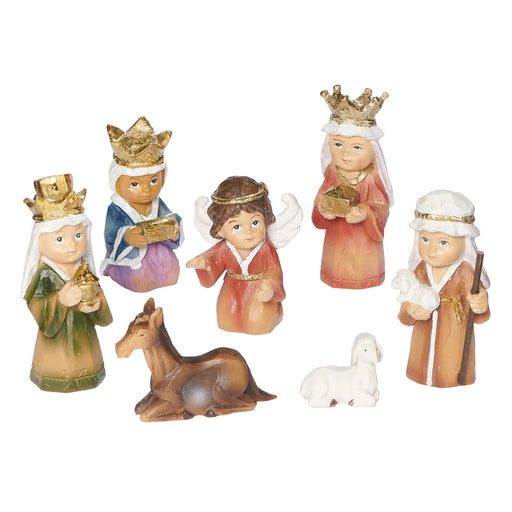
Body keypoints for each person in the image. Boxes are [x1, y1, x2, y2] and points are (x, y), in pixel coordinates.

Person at [22, 174, 112, 392]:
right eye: (60, 239)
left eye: (78, 235)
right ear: (40, 241)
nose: (72, 246)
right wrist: (60, 301)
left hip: (85, 339)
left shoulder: (84, 269)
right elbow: (36, 307)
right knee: (58, 362)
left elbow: (101, 304)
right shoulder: (44, 274)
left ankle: (90, 374)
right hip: (55, 349)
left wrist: (96, 304)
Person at [397, 190, 490, 387]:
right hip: (422, 341)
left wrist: (480, 304)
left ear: (464, 242)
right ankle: (420, 375)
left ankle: (450, 378)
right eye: (425, 239)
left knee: (450, 366)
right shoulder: (419, 270)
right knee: (420, 365)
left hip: (454, 338)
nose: (432, 250)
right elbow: (405, 309)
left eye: (443, 242)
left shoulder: (466, 273)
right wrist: (410, 311)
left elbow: (480, 315)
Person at [187, 176, 301, 335]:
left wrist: (270, 287)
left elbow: (273, 270)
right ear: (220, 230)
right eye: (236, 227)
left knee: (258, 324)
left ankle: (270, 316)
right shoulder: (224, 248)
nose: (248, 232)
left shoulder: (266, 249)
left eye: (255, 223)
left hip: (258, 290)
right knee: (226, 321)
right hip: (231, 290)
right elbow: (212, 259)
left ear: (265, 221)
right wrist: (204, 265)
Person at [312, 86, 392, 289]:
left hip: (362, 243)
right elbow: (322, 194)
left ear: (373, 150)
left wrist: (365, 213)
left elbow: (381, 205)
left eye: (356, 147)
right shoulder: (333, 171)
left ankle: (363, 277)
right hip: (336, 238)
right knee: (336, 259)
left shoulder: (371, 177)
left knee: (360, 262)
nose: (345, 154)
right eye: (338, 145)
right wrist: (323, 209)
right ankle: (335, 275)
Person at [100, 116, 183, 292]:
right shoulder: (117, 208)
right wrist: (127, 236)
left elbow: (168, 216)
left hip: (159, 251)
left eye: (153, 181)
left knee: (172, 272)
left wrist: (173, 226)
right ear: (117, 182)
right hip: (132, 257)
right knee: (140, 280)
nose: (146, 190)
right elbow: (111, 235)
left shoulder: (156, 202)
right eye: (134, 184)